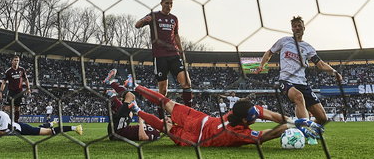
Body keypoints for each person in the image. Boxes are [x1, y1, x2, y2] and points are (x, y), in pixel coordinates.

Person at [129, 84, 322, 147]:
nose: (258, 114)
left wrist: (296, 120)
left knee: (167, 104)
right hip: (195, 138)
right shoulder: (237, 133)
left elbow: (271, 115)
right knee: (165, 127)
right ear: (246, 121)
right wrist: (290, 127)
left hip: (200, 119)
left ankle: (136, 88)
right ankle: (137, 109)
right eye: (254, 115)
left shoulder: (238, 112)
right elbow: (267, 135)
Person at [255, 16, 342, 144]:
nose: (297, 28)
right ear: (292, 28)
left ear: (303, 28)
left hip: (302, 83)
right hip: (286, 80)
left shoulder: (308, 48)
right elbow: (269, 52)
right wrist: (262, 64)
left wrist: (334, 72)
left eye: (299, 25)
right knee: (298, 97)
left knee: (323, 118)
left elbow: (320, 64)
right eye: (294, 26)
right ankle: (306, 132)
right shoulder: (284, 41)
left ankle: (301, 126)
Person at [135, 0, 192, 114]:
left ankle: (190, 112)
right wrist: (144, 20)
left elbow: (176, 35)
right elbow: (137, 25)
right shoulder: (154, 15)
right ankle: (161, 116)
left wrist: (182, 51)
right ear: (161, 3)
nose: (169, 5)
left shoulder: (174, 18)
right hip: (160, 56)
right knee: (163, 89)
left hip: (174, 54)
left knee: (186, 82)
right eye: (167, 3)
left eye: (171, 3)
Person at [0, 99, 82, 136]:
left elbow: (1, 133)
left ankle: (75, 127)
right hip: (18, 130)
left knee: (48, 132)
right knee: (40, 127)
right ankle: (50, 123)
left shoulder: (2, 115)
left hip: (21, 130)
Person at [104, 69, 161, 141]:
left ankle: (111, 83)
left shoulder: (156, 134)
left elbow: (142, 137)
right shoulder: (153, 126)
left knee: (130, 97)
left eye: (167, 121)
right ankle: (118, 92)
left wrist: (141, 122)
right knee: (131, 111)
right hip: (120, 129)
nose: (164, 119)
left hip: (117, 132)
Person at [0, 55, 31, 122]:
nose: (16, 62)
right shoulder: (8, 71)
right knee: (8, 107)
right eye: (15, 60)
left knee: (17, 108)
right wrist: (1, 92)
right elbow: (4, 82)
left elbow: (26, 79)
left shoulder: (22, 70)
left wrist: (28, 88)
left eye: (17, 61)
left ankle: (16, 122)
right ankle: (9, 121)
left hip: (19, 92)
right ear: (12, 61)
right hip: (11, 91)